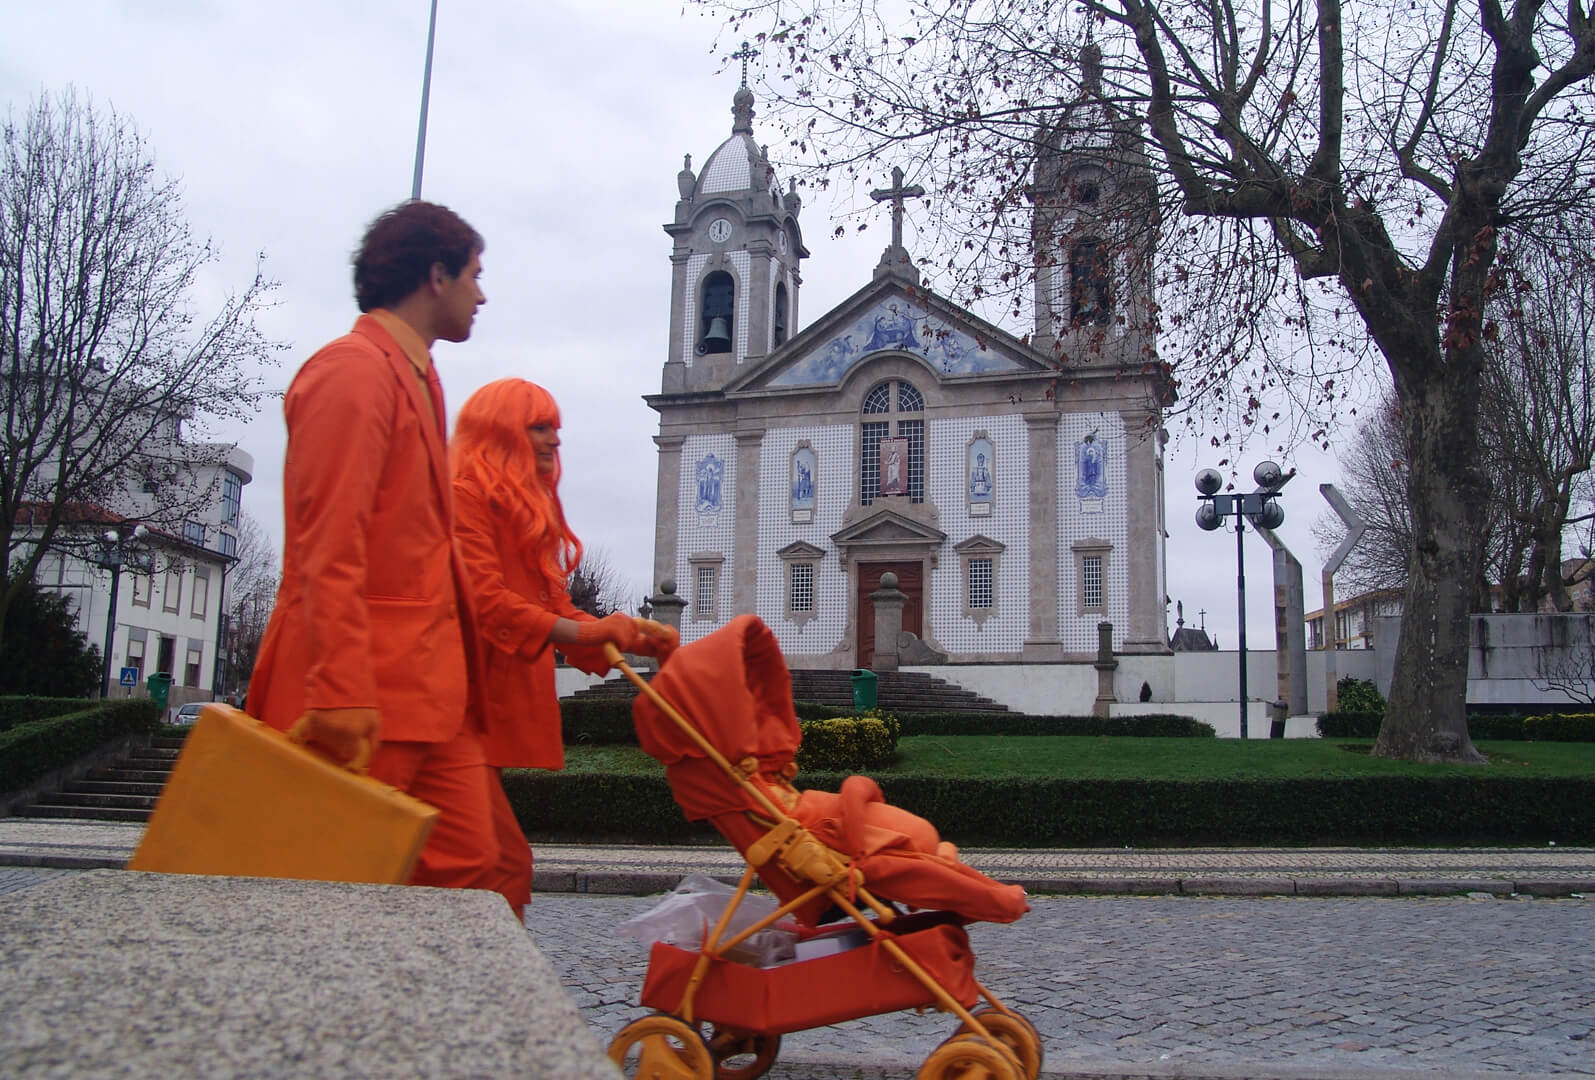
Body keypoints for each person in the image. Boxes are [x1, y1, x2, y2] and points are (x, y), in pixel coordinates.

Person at [246, 200, 524, 912]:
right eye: (474, 274)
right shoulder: (352, 371)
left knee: (484, 866)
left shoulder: (419, 376)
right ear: (437, 275)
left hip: (428, 692)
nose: (481, 293)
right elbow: (328, 544)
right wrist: (339, 689)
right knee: (341, 890)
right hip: (365, 690)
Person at [449, 378, 676, 908]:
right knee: (491, 865)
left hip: (481, 713)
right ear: (499, 433)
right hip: (451, 708)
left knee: (499, 866)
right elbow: (486, 602)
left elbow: (555, 614)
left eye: (556, 429)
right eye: (539, 427)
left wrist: (634, 636)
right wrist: (595, 631)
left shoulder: (528, 517)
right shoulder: (462, 497)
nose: (554, 440)